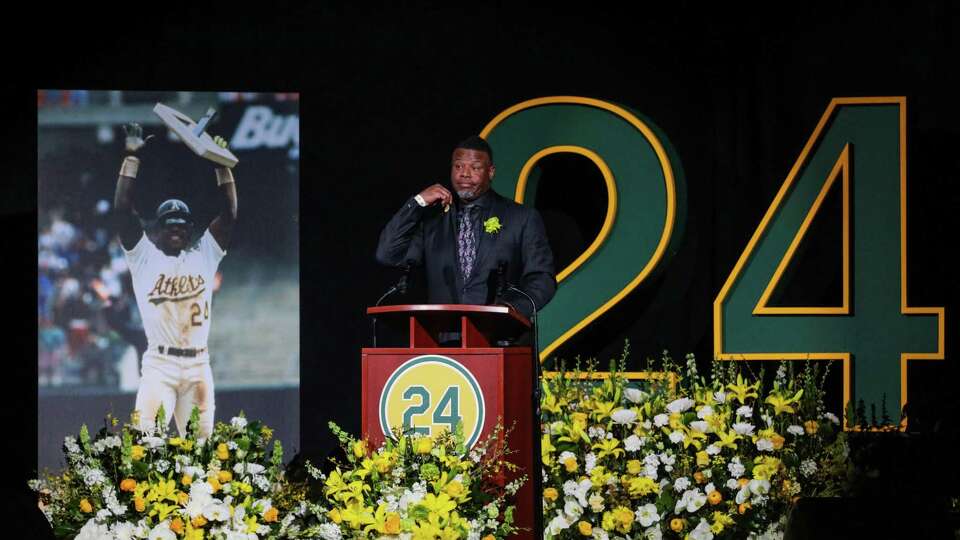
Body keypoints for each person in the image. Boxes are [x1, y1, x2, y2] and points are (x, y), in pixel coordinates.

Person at [112, 123, 238, 438]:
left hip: (198, 365)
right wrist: (131, 159)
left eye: (182, 224)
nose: (177, 229)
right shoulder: (143, 257)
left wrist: (222, 166)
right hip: (160, 364)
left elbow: (230, 213)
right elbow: (121, 212)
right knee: (147, 443)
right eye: (170, 224)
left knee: (202, 451)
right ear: (157, 229)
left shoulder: (204, 254)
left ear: (190, 228)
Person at [376, 135, 556, 323]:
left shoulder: (521, 218)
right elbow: (387, 254)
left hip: (502, 338)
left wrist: (511, 309)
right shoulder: (433, 221)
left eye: (475, 167)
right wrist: (417, 202)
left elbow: (542, 278)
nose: (465, 174)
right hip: (444, 340)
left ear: (491, 172)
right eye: (458, 166)